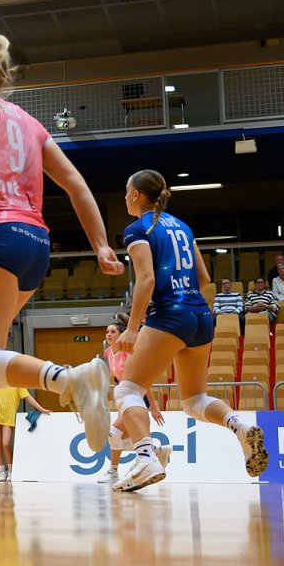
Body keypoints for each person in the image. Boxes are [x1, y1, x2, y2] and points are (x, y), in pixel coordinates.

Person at [0, 33, 123, 496]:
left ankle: (70, 379)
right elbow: (76, 183)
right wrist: (101, 245)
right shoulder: (31, 123)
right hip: (36, 244)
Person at [113, 170, 267, 492]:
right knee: (194, 400)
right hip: (200, 315)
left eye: (127, 191)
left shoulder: (138, 229)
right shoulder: (183, 227)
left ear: (137, 195)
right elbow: (205, 278)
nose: (125, 197)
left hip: (170, 315)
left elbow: (146, 279)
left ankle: (145, 457)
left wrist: (133, 328)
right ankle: (239, 425)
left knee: (127, 390)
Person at [98, 323, 166, 485]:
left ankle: (113, 471)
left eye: (113, 331)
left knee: (114, 433)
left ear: (121, 335)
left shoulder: (127, 351)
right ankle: (156, 451)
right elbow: (116, 378)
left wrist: (154, 407)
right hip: (124, 396)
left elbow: (143, 379)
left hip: (137, 396)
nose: (109, 334)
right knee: (125, 440)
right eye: (107, 331)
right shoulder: (108, 352)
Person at [0, 386, 51, 482]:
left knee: (6, 444)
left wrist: (41, 409)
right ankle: (2, 471)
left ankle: (11, 471)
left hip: (9, 418)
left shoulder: (18, 385)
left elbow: (28, 397)